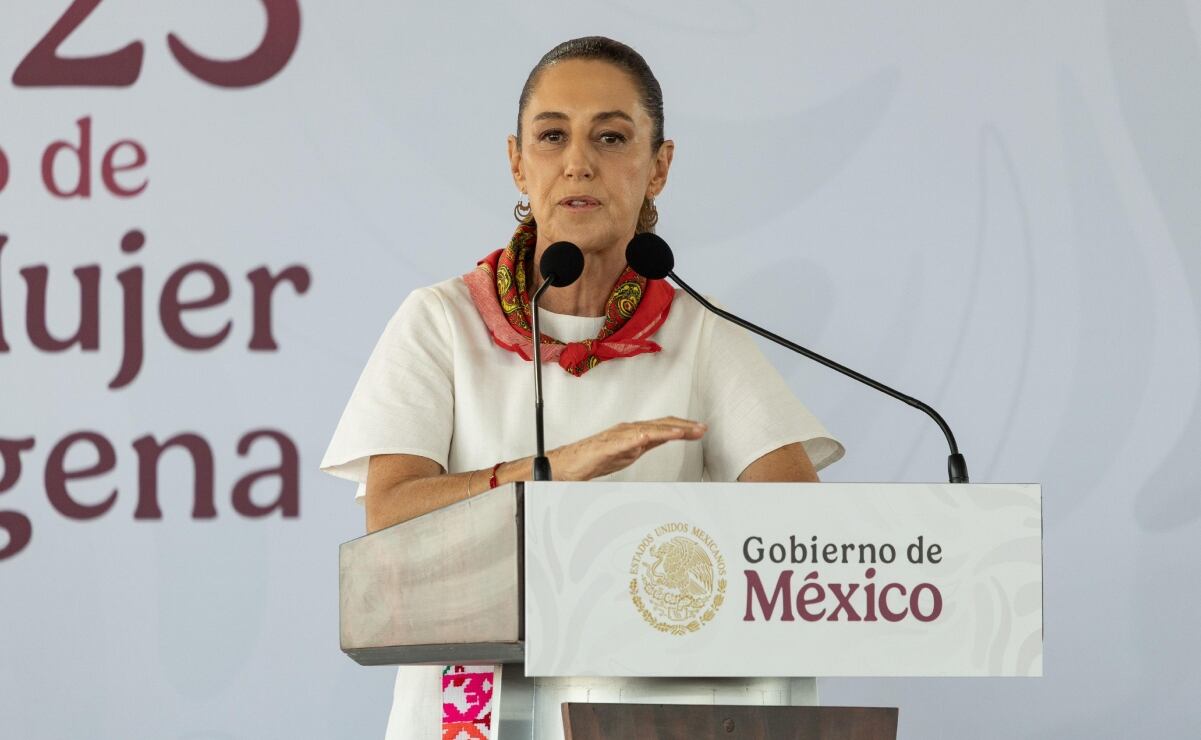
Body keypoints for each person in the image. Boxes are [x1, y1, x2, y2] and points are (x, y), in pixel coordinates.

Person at [321, 36, 844, 740]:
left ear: (658, 166)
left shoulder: (700, 334)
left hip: (651, 713)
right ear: (516, 161)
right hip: (468, 714)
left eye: (610, 136)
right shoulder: (438, 321)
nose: (578, 161)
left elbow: (795, 531)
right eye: (551, 136)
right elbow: (390, 521)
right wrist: (554, 470)